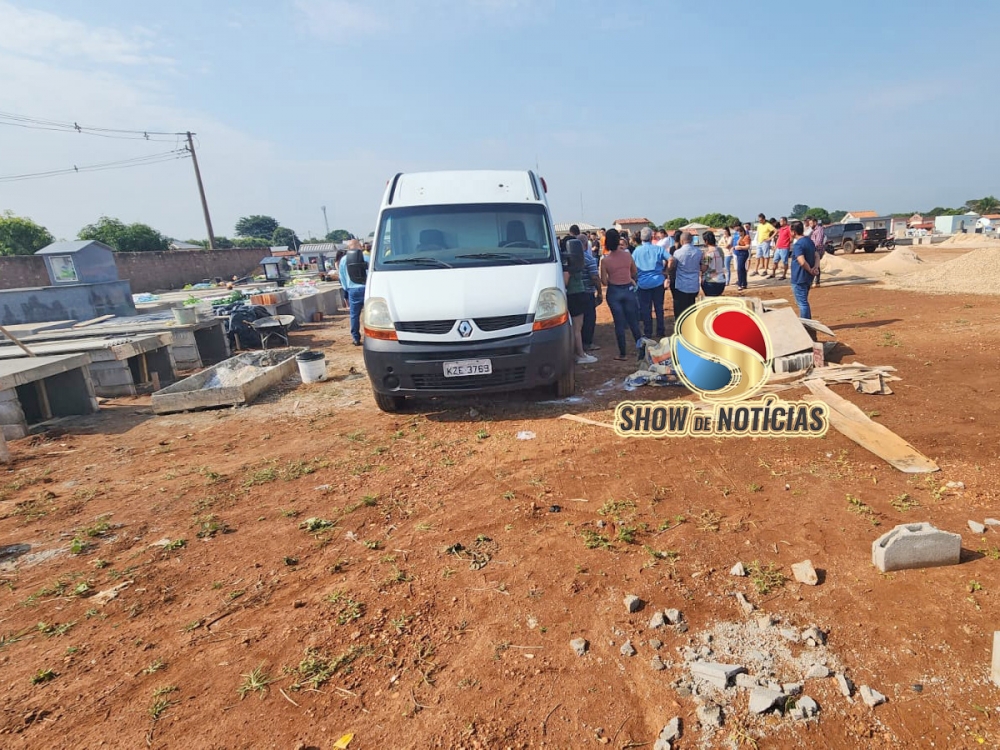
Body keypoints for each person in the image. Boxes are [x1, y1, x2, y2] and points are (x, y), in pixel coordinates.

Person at [599, 228, 642, 361]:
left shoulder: (605, 260)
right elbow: (634, 271)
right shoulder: (627, 255)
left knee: (619, 323)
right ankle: (641, 350)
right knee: (633, 322)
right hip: (628, 289)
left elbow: (604, 281)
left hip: (614, 291)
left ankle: (622, 353)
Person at [564, 225, 602, 352]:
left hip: (573, 293)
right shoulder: (589, 258)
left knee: (577, 321)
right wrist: (600, 292)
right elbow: (595, 277)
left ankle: (579, 343)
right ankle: (587, 343)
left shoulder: (568, 259)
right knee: (589, 318)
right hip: (587, 292)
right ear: (586, 245)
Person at [561, 238, 598, 365]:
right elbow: (566, 280)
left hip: (573, 294)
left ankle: (578, 352)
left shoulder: (566, 260)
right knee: (577, 328)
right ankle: (580, 354)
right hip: (576, 294)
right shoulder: (573, 261)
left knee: (575, 327)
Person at [631, 227, 671, 340]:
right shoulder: (658, 249)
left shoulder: (636, 251)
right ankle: (660, 330)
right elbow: (671, 259)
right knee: (659, 307)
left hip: (643, 283)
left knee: (645, 309)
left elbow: (631, 266)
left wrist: (635, 276)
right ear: (652, 237)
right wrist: (666, 272)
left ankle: (648, 332)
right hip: (658, 281)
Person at [338, 240, 367, 345]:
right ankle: (371, 337)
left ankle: (356, 338)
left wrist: (346, 288)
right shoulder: (366, 257)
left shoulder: (344, 260)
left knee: (354, 315)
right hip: (367, 288)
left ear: (349, 248)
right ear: (359, 247)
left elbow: (342, 276)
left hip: (353, 290)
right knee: (370, 314)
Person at [668, 232, 703, 318]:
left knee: (681, 309)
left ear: (681, 241)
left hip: (681, 284)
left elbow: (673, 266)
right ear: (691, 240)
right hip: (694, 284)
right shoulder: (699, 252)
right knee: (691, 306)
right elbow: (704, 266)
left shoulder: (677, 253)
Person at [789, 220, 820, 319]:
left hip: (799, 277)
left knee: (802, 303)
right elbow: (817, 255)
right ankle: (807, 323)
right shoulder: (809, 241)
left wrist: (810, 269)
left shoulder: (798, 245)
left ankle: (806, 324)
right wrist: (815, 267)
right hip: (807, 278)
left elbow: (801, 261)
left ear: (793, 232)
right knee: (803, 301)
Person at [700, 231, 726, 297]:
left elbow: (704, 268)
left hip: (711, 281)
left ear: (706, 241)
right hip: (721, 279)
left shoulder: (709, 253)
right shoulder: (720, 250)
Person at [733, 223, 751, 290]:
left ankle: (740, 284)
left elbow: (747, 246)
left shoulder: (746, 237)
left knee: (740, 268)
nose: (740, 233)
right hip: (739, 253)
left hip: (743, 253)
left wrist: (740, 247)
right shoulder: (740, 237)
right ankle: (744, 283)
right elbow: (737, 243)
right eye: (739, 231)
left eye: (741, 231)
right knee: (742, 269)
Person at [809, 217, 826, 287]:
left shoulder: (819, 229)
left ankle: (816, 281)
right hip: (814, 249)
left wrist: (813, 248)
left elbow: (818, 241)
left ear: (815, 223)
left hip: (818, 250)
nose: (810, 225)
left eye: (811, 223)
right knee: (815, 265)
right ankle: (816, 281)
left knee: (815, 264)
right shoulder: (813, 230)